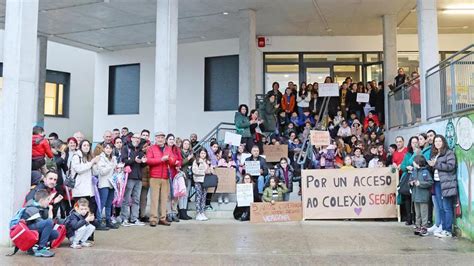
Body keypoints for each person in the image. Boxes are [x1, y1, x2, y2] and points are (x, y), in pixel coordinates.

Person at [71, 140, 102, 229]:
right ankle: (78, 233)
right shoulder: (76, 156)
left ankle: (88, 236)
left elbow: (95, 172)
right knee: (79, 213)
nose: (86, 147)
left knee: (90, 212)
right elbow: (79, 169)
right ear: (80, 146)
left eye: (88, 145)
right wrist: (91, 162)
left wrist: (96, 163)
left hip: (89, 190)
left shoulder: (89, 157)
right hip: (79, 189)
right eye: (84, 145)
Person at [430, 135, 457, 238]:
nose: (437, 143)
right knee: (440, 207)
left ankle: (448, 230)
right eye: (435, 141)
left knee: (446, 207)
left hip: (446, 184)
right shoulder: (436, 154)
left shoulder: (449, 153)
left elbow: (451, 166)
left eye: (439, 141)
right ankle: (443, 227)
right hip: (437, 182)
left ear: (443, 142)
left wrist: (436, 165)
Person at [146, 131, 175, 227]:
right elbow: (149, 161)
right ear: (156, 138)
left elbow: (173, 161)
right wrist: (161, 159)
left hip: (165, 177)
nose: (160, 139)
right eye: (158, 137)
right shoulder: (151, 148)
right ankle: (153, 218)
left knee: (164, 199)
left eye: (162, 137)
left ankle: (163, 218)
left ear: (164, 139)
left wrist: (169, 159)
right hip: (154, 177)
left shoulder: (168, 149)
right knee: (154, 199)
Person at [22, 189, 58, 257]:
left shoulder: (39, 207)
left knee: (55, 233)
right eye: (47, 199)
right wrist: (50, 214)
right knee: (49, 222)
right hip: (27, 230)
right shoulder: (32, 208)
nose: (49, 202)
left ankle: (32, 246)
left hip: (32, 229)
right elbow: (45, 223)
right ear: (41, 200)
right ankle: (41, 248)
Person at [121, 134, 146, 226]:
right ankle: (124, 218)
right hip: (129, 177)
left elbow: (143, 165)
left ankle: (134, 218)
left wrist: (144, 162)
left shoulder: (140, 150)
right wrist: (133, 160)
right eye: (135, 138)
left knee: (136, 199)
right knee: (126, 199)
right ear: (131, 138)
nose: (137, 140)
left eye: (139, 138)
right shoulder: (126, 148)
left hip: (139, 178)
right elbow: (123, 160)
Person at [97, 143, 119, 229]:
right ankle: (98, 221)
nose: (108, 150)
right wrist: (111, 165)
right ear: (103, 149)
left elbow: (115, 171)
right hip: (104, 184)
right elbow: (102, 172)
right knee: (101, 203)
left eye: (110, 148)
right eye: (107, 148)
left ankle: (108, 220)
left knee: (109, 204)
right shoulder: (101, 158)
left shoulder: (113, 158)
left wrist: (118, 168)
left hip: (112, 184)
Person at [410, 155, 433, 237]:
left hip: (423, 196)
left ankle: (424, 227)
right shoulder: (414, 171)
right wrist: (411, 183)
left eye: (414, 161)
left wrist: (421, 184)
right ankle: (418, 226)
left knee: (424, 213)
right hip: (415, 196)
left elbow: (430, 182)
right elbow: (410, 179)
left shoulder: (425, 172)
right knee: (417, 213)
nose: (413, 163)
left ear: (418, 163)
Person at [400, 136, 419, 225]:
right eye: (412, 142)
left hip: (417, 177)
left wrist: (416, 154)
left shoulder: (419, 153)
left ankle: (416, 218)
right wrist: (407, 167)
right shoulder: (407, 154)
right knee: (407, 198)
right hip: (407, 177)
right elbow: (402, 166)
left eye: (416, 142)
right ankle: (409, 218)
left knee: (415, 198)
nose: (414, 144)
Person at [192, 148, 214, 221]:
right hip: (198, 181)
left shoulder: (208, 162)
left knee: (204, 197)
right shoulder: (196, 161)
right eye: (202, 153)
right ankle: (198, 213)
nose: (203, 155)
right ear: (199, 154)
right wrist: (204, 172)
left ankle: (202, 212)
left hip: (206, 181)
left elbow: (212, 171)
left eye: (204, 153)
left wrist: (210, 169)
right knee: (199, 196)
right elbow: (194, 171)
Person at [165, 134, 183, 223]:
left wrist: (178, 164)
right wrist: (173, 162)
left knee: (176, 194)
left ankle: (174, 212)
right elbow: (166, 160)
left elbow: (180, 159)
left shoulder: (176, 149)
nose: (171, 140)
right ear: (167, 140)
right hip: (167, 173)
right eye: (170, 139)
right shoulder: (165, 149)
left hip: (175, 174)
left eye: (173, 139)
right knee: (168, 194)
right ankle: (168, 213)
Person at [179, 139, 194, 220]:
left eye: (188, 144)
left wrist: (191, 158)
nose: (186, 145)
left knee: (186, 194)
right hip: (182, 175)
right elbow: (180, 163)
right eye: (185, 143)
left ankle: (185, 212)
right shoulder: (179, 152)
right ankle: (181, 212)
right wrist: (188, 158)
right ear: (182, 144)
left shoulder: (191, 154)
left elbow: (194, 163)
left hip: (189, 176)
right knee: (182, 194)